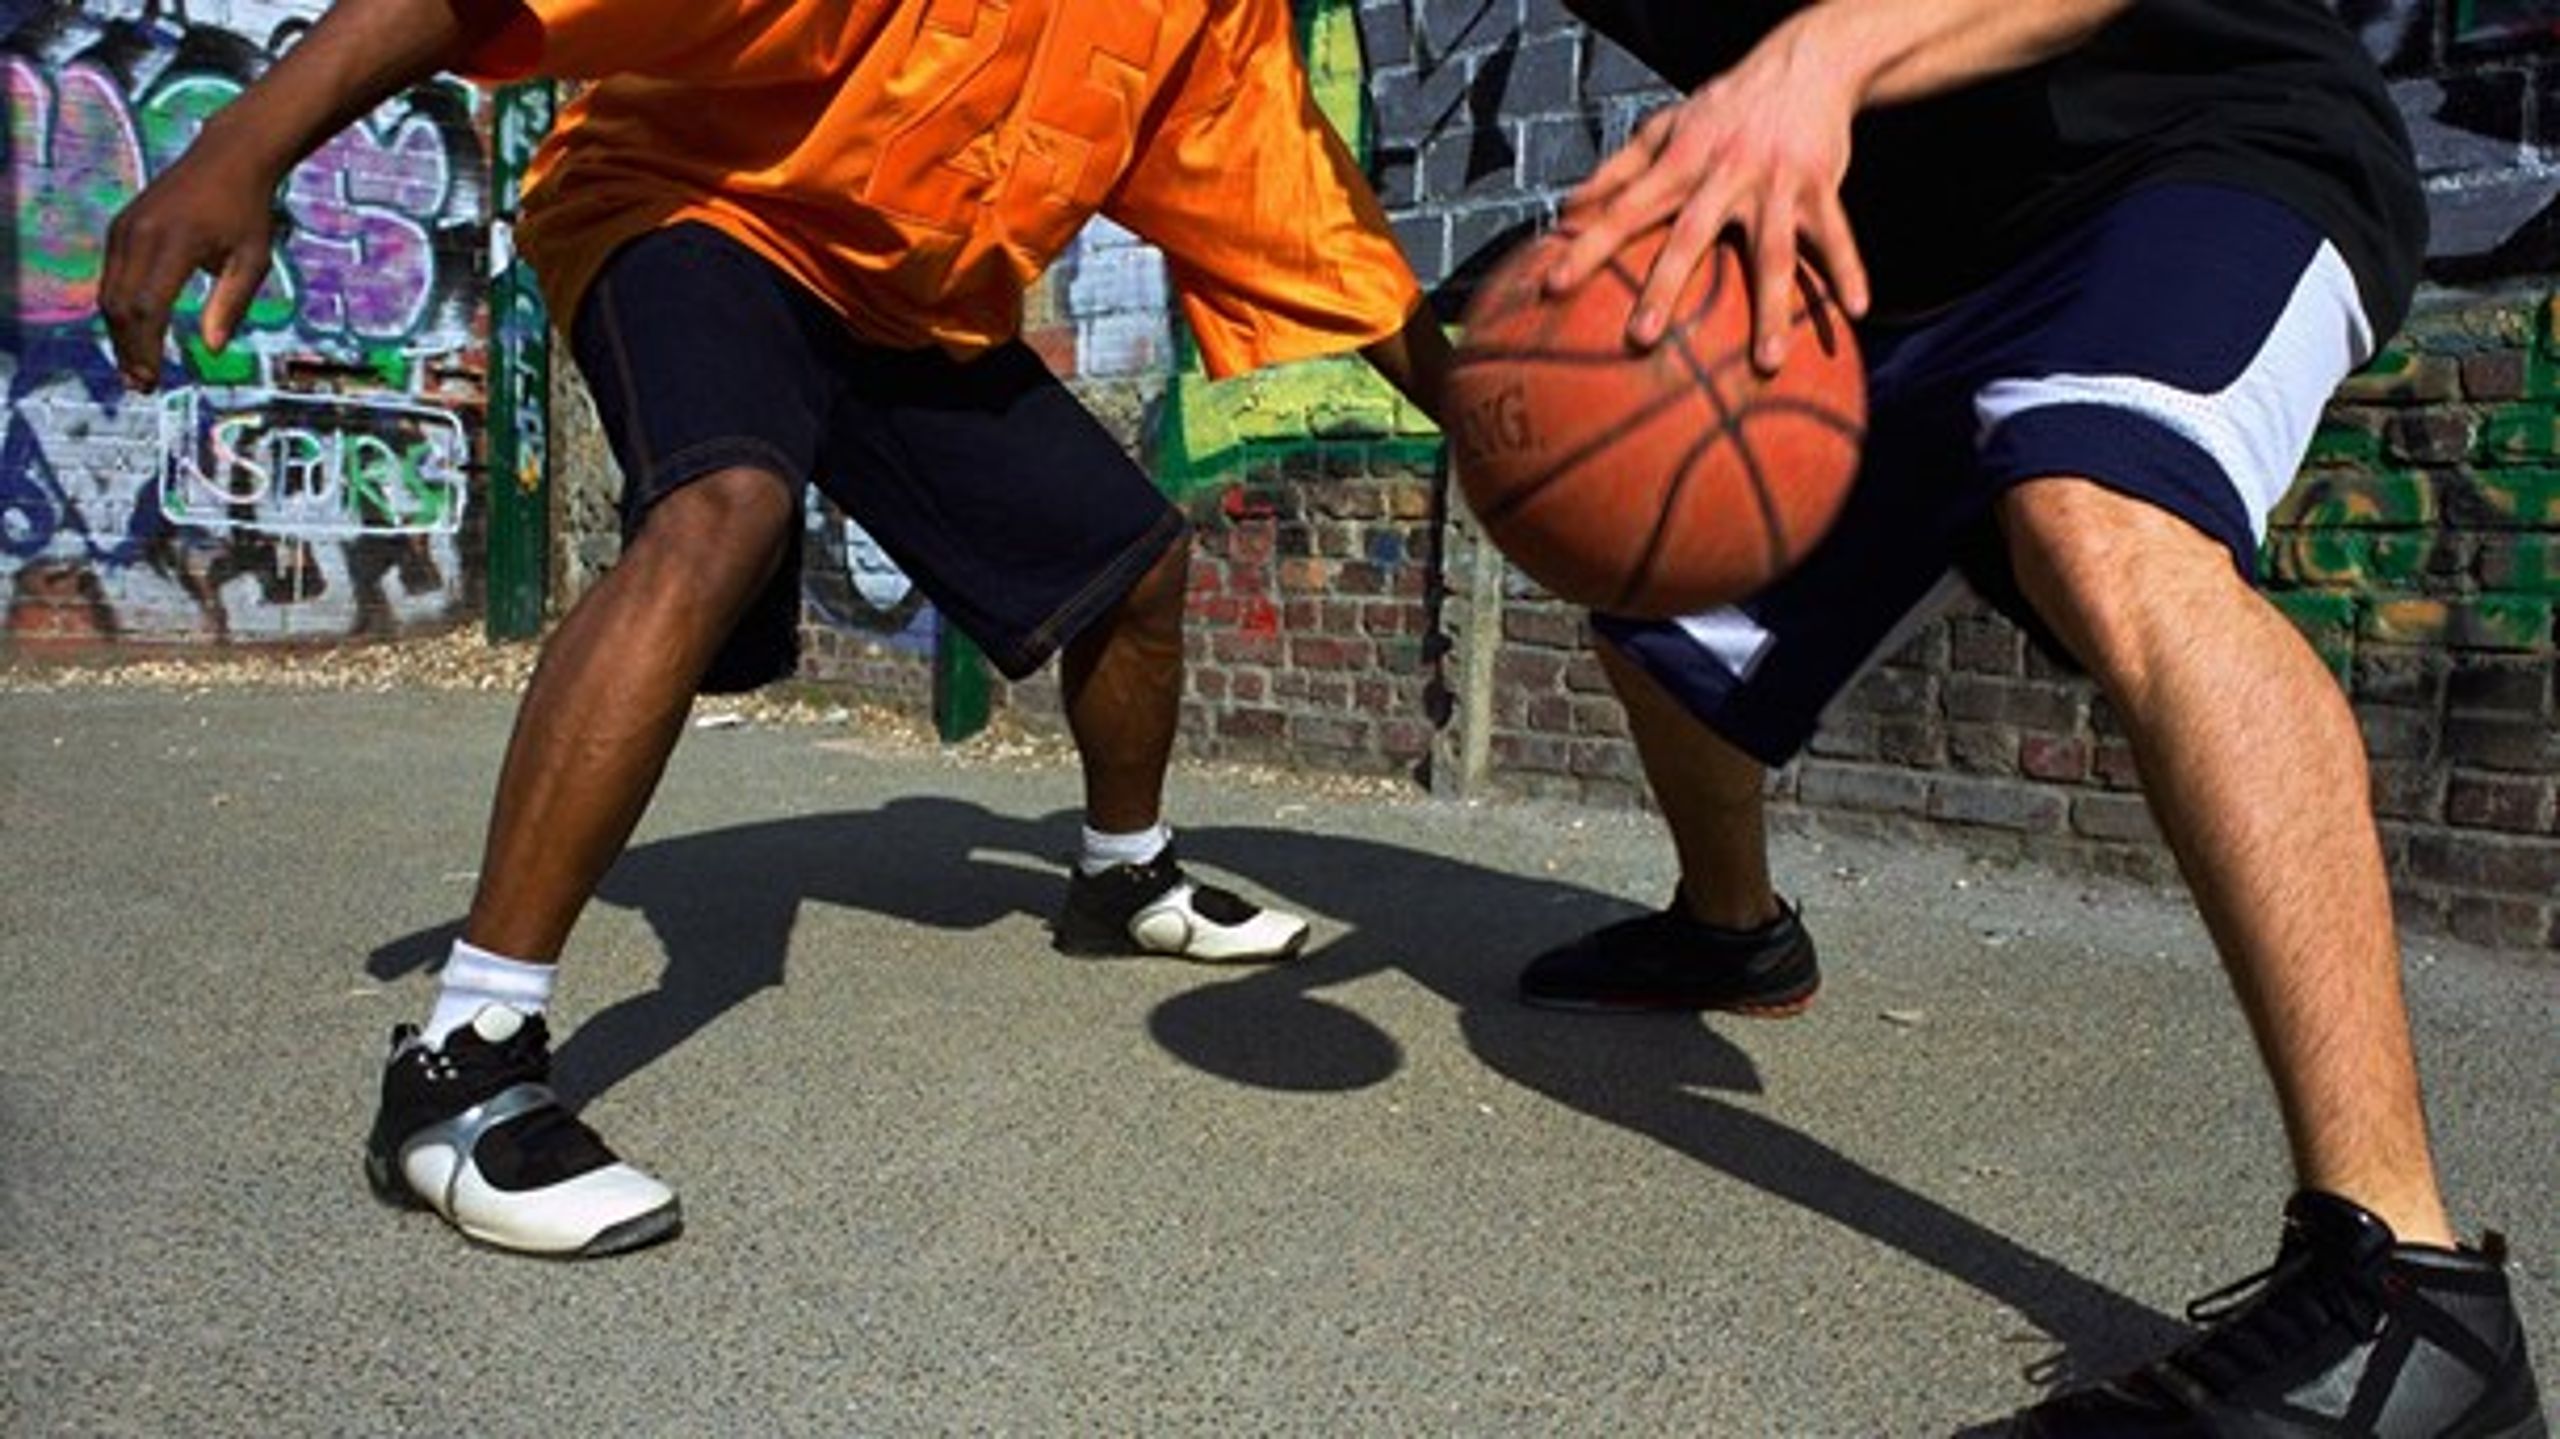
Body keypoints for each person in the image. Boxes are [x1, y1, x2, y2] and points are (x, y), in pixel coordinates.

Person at [101, 0, 1450, 1258]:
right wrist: (245, 138)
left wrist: (1495, 426)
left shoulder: (1210, 21)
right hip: (702, 215)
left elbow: (1313, 227)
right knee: (723, 505)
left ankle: (1122, 875)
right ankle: (462, 1065)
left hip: (907, 309)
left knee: (1137, 566)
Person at [1519, 0, 2548, 1432]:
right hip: (1911, 276)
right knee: (1658, 611)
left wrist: (1823, 54)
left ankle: (2411, 1297)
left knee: (2097, 510)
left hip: (2202, 152)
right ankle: (1731, 928)